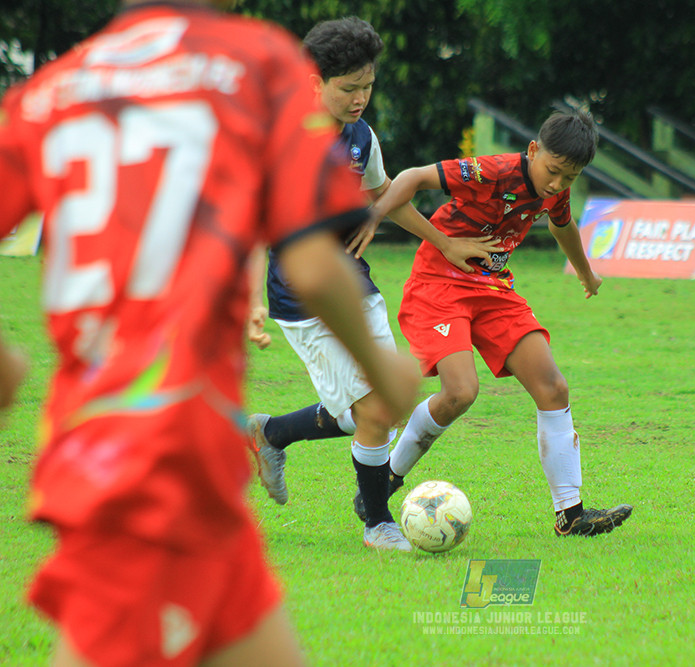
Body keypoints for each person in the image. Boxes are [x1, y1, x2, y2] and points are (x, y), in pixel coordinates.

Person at [0, 1, 418, 665]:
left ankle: (271, 436)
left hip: (116, 431)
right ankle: (348, 494)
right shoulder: (255, 65)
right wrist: (386, 371)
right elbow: (310, 260)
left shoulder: (50, 93)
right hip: (162, 426)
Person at [245, 17, 497, 551]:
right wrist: (249, 300)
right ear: (314, 83)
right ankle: (378, 524)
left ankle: (272, 433)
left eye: (368, 86)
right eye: (349, 88)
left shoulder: (360, 137)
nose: (360, 98)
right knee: (374, 409)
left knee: (379, 405)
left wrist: (444, 242)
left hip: (354, 282)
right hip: (301, 296)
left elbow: (384, 194)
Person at [366, 108, 634, 537]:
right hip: (439, 282)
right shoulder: (491, 171)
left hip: (492, 290)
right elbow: (412, 177)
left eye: (570, 177)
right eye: (553, 171)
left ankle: (571, 514)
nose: (557, 184)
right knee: (460, 392)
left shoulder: (555, 190)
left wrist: (586, 272)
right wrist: (425, 234)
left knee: (553, 388)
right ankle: (384, 479)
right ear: (533, 150)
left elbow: (562, 224)